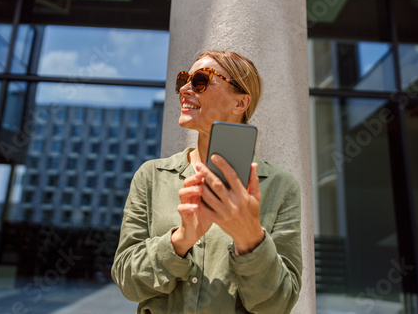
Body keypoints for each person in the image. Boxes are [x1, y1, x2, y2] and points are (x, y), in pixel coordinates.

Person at [112, 50, 302, 313]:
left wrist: (251, 240)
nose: (185, 89)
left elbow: (279, 304)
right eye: (183, 80)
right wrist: (180, 239)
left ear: (240, 103)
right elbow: (127, 281)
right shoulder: (152, 176)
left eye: (201, 80)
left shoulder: (281, 186)